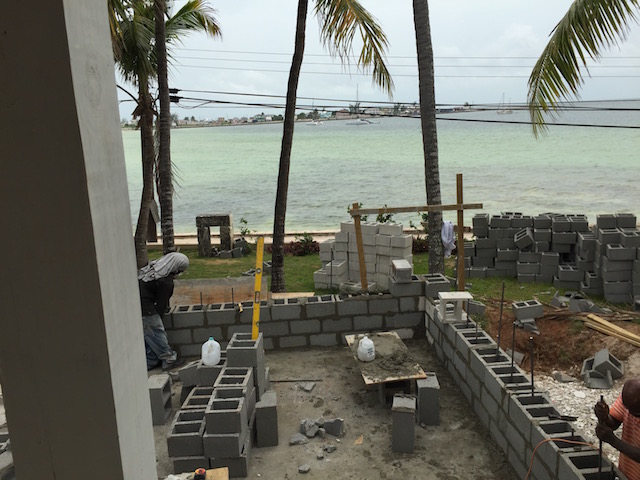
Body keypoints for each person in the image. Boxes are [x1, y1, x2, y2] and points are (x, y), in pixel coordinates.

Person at [138, 252, 189, 371]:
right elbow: (162, 305)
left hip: (138, 303)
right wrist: (158, 318)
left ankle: (150, 361)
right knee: (156, 331)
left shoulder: (154, 268)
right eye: (180, 270)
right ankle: (169, 359)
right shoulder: (166, 282)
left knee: (149, 335)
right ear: (176, 269)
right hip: (145, 307)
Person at [595, 379, 640, 480]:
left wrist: (613, 440)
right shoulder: (632, 395)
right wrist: (605, 416)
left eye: (636, 412)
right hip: (627, 473)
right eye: (628, 409)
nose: (630, 413)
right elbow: (614, 422)